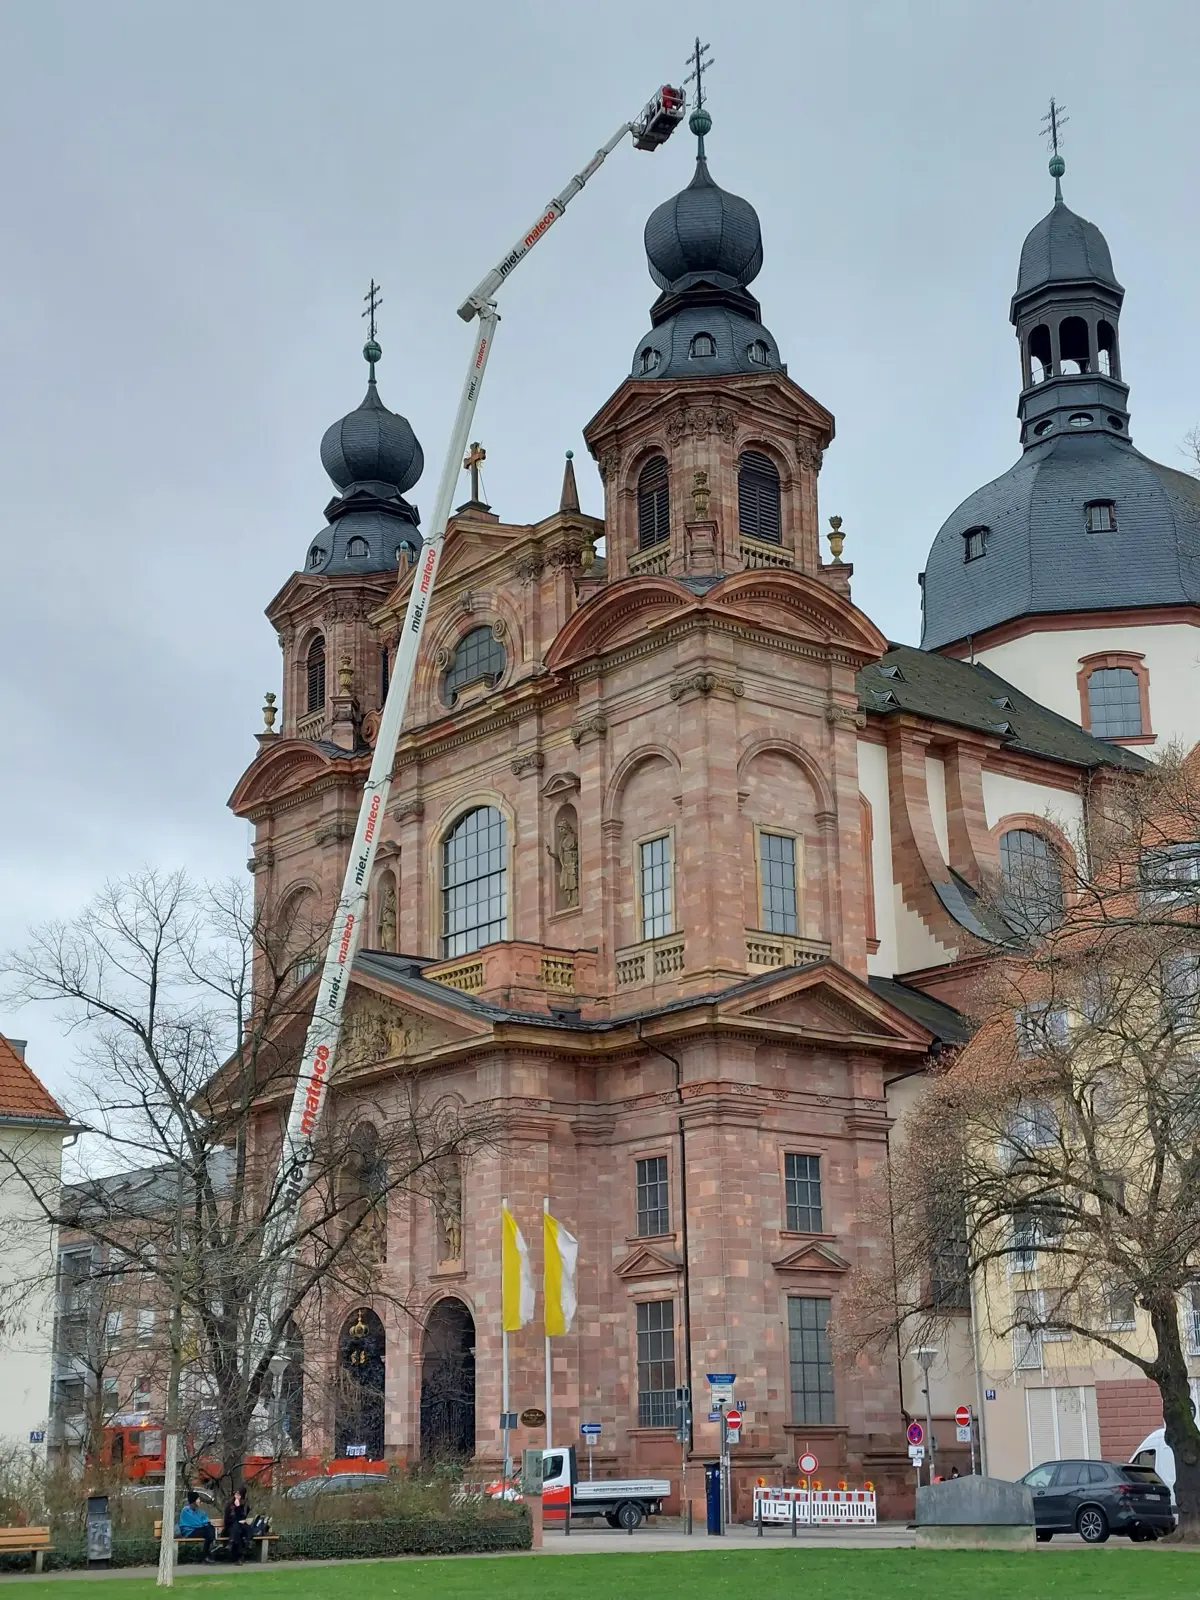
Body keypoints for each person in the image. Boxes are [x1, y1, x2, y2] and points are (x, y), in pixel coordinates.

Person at [178, 1491, 215, 1562]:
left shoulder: (199, 1511)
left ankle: (205, 1555)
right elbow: (194, 1522)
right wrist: (204, 1524)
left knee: (209, 1528)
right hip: (189, 1532)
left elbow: (206, 1520)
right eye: (198, 1499)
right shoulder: (186, 1510)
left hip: (200, 1530)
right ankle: (208, 1552)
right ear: (193, 1501)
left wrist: (205, 1524)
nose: (199, 1501)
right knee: (208, 1530)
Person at [222, 1488, 252, 1562]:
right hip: (230, 1528)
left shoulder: (245, 1505)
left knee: (241, 1530)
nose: (237, 1496)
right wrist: (237, 1521)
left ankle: (231, 1543)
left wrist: (238, 1507)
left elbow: (243, 1517)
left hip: (240, 1528)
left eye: (239, 1495)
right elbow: (227, 1520)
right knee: (237, 1529)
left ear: (242, 1496)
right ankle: (240, 1556)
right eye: (236, 1494)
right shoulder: (229, 1505)